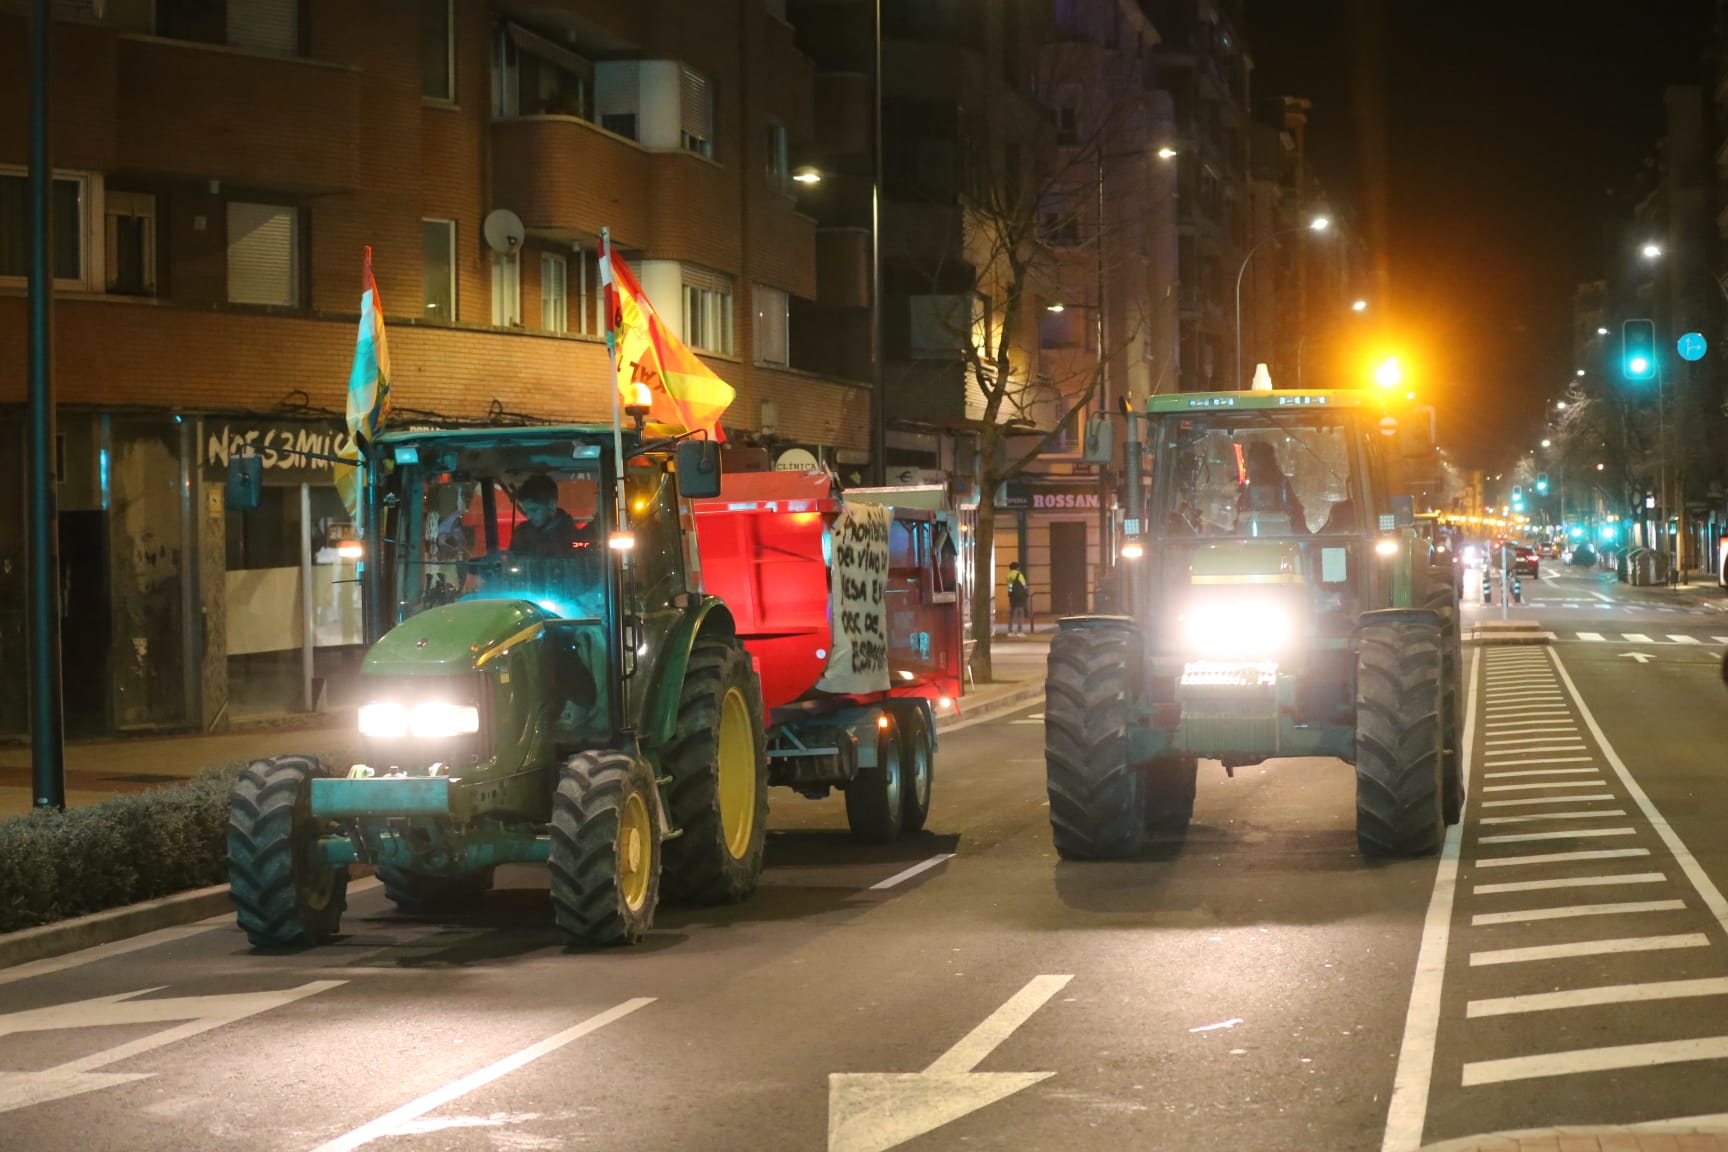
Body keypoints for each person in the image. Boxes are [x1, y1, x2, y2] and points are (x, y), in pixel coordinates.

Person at [509, 474, 595, 556]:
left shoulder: (574, 538)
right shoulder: (521, 534)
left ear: (551, 505)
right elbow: (512, 564)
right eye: (526, 510)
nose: (529, 516)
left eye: (533, 510)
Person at [1237, 440, 1308, 534]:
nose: (1251, 464)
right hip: (1251, 540)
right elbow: (1239, 516)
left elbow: (1296, 516)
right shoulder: (1246, 486)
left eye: (1256, 460)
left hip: (1281, 540)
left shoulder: (1282, 484)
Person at [1006, 561, 1032, 635]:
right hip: (1020, 597)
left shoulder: (1009, 575)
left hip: (1012, 596)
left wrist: (1010, 593)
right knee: (1020, 614)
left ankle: (1010, 631)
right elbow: (1024, 584)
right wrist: (1026, 591)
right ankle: (1020, 631)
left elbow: (1010, 586)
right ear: (1017, 567)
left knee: (1011, 614)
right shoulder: (1019, 574)